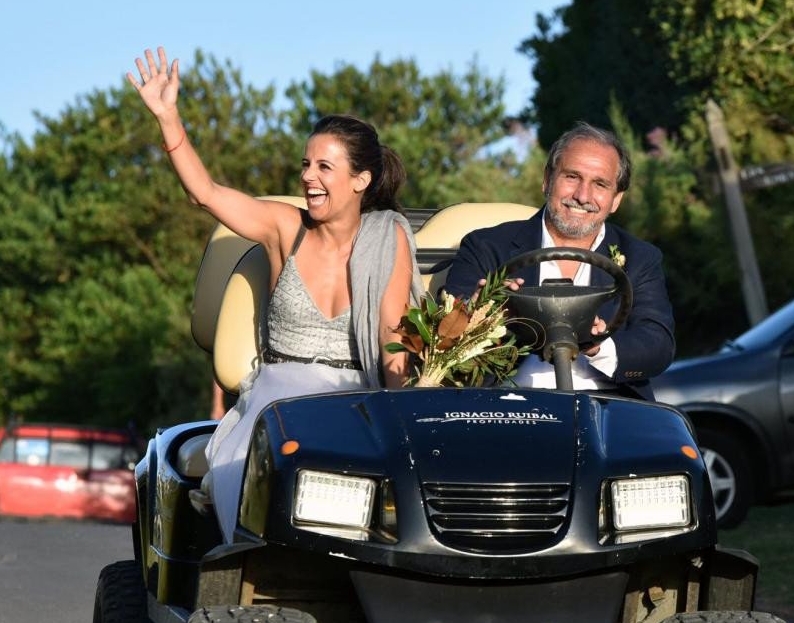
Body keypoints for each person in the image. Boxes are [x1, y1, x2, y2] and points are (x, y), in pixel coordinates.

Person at [128, 47, 422, 541]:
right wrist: (168, 117)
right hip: (278, 400)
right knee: (250, 480)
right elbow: (206, 193)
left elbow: (392, 339)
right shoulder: (284, 227)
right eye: (306, 164)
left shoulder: (386, 237)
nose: (308, 177)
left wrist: (405, 432)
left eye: (324, 168)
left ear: (361, 180)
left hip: (353, 399)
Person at [442, 122, 675, 400]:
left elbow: (658, 344)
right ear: (547, 180)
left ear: (616, 200)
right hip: (507, 408)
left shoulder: (640, 257)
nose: (583, 196)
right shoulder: (486, 247)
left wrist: (598, 345)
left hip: (611, 408)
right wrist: (481, 318)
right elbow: (444, 337)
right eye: (572, 177)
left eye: (600, 184)